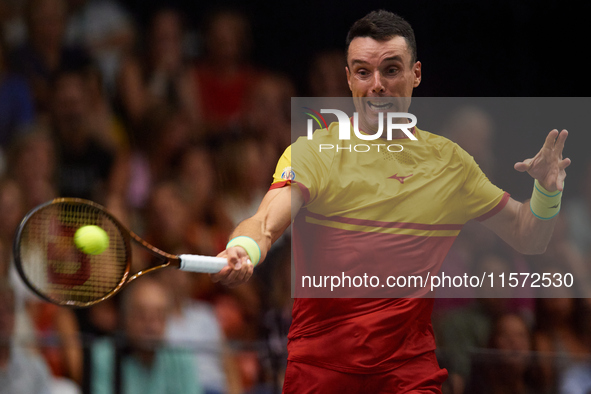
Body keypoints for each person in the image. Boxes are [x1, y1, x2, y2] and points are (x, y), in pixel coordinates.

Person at [211, 10, 570, 393]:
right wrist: (243, 247)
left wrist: (547, 191)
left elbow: (529, 236)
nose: (377, 85)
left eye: (391, 70)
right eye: (363, 72)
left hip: (408, 376)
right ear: (349, 79)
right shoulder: (314, 153)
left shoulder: (450, 164)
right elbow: (266, 221)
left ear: (416, 74)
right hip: (321, 373)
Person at [90, 278, 203, 394]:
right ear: (125, 317)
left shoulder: (182, 359)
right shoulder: (105, 354)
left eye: (159, 315)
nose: (151, 325)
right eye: (142, 315)